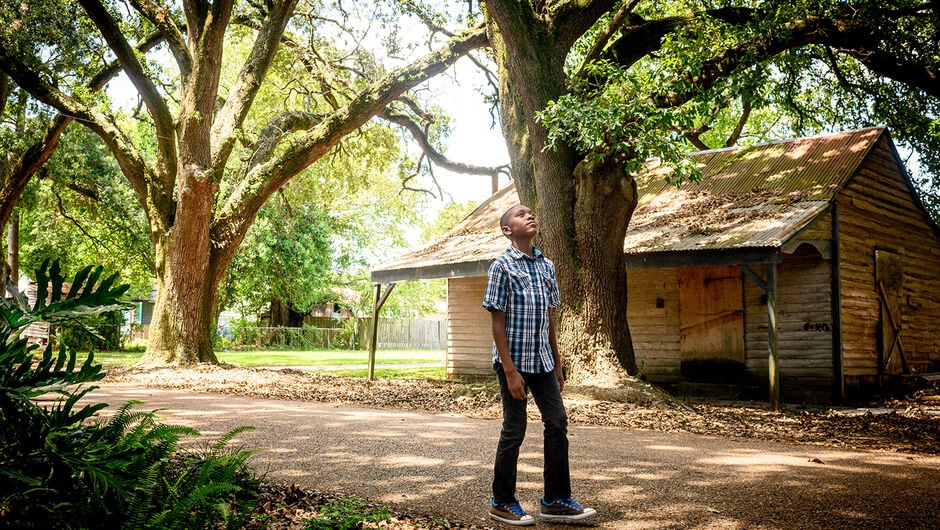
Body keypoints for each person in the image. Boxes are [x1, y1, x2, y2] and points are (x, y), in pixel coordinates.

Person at [481, 204, 597, 526]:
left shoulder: (547, 266)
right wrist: (509, 370)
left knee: (557, 422)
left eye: (531, 212)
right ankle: (502, 501)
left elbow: (549, 318)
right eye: (520, 214)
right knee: (514, 429)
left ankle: (556, 499)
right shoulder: (501, 267)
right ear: (507, 230)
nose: (529, 216)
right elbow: (497, 323)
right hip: (514, 362)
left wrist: (558, 364)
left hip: (543, 360)